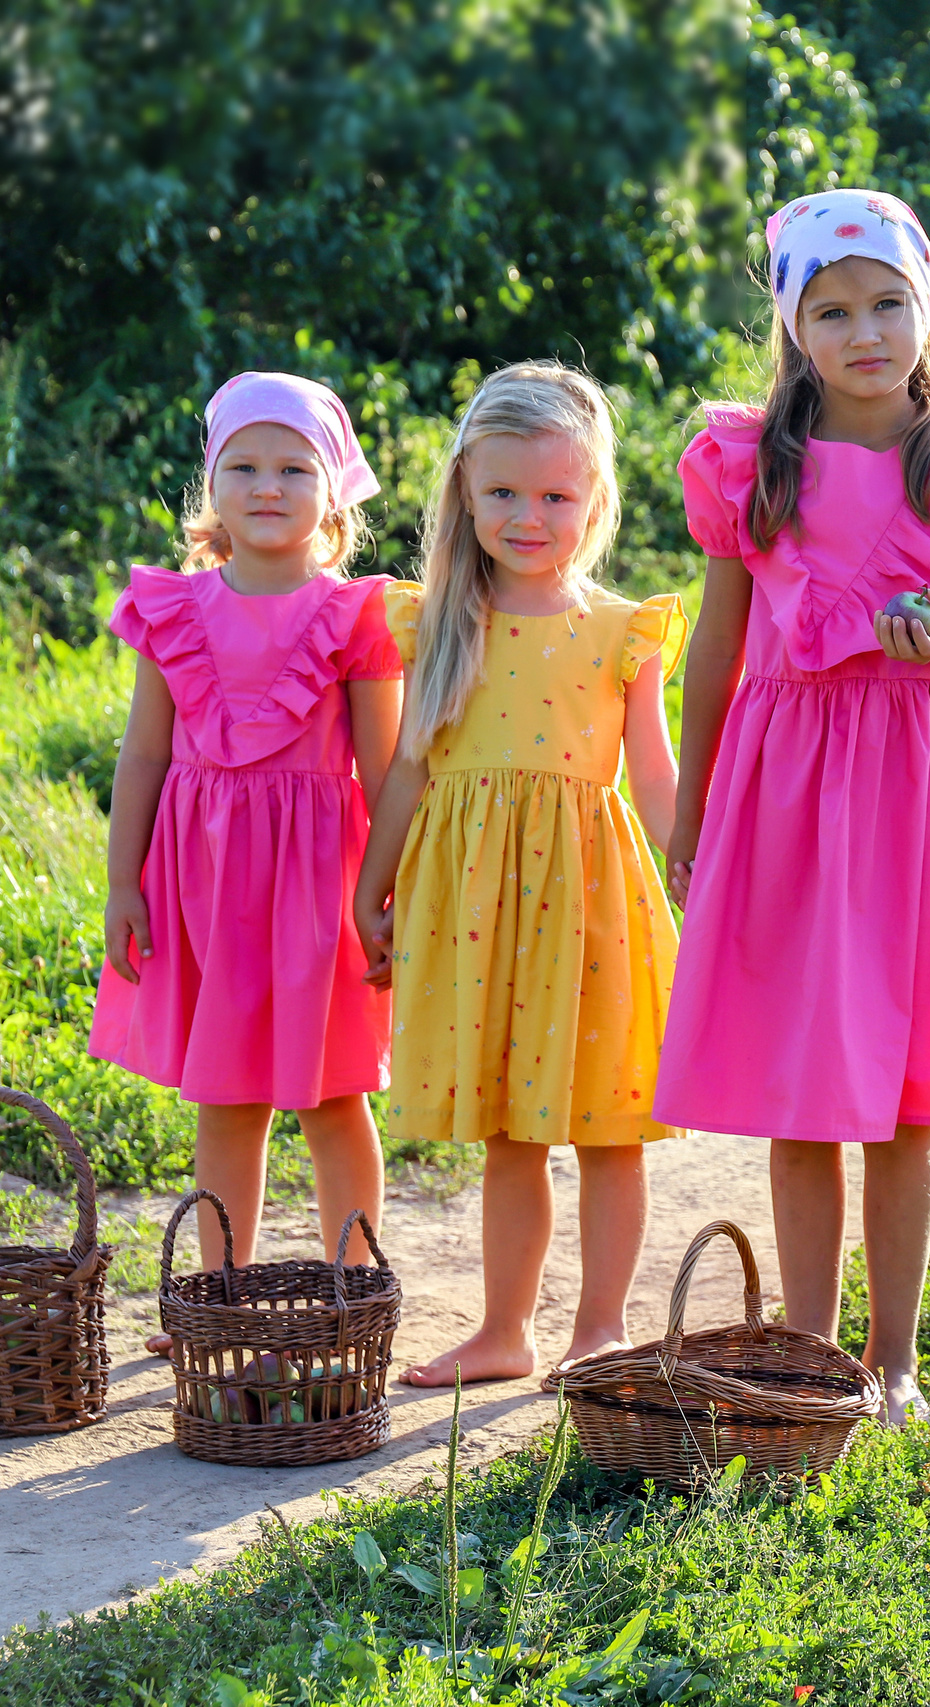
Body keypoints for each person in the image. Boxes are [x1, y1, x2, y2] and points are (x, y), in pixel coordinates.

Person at [655, 189, 930, 1428]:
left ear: (927, 305)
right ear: (793, 327)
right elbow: (714, 651)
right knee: (801, 1092)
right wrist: (690, 811)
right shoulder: (750, 466)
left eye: (887, 302)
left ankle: (894, 1365)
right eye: (830, 311)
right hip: (781, 795)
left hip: (908, 798)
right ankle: (809, 1359)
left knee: (899, 1099)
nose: (864, 331)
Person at [353, 362, 686, 1387]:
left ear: (595, 499)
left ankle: (601, 1328)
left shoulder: (622, 629)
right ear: (463, 488)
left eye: (554, 495)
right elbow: (408, 768)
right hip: (475, 909)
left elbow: (653, 770)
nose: (527, 516)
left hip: (591, 902)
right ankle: (505, 1331)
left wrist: (692, 868)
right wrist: (371, 887)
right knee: (509, 1130)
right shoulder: (437, 623)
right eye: (502, 491)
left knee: (609, 1128)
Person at [89, 372, 399, 1357]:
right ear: (211, 486)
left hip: (318, 890)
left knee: (332, 1095)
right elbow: (143, 755)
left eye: (295, 468)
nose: (269, 486)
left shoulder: (356, 617)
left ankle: (355, 1292)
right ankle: (217, 1297)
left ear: (335, 489)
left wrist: (387, 893)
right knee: (226, 1098)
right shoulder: (174, 611)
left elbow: (387, 770)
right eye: (245, 466)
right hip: (207, 893)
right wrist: (122, 884)